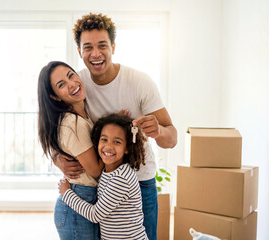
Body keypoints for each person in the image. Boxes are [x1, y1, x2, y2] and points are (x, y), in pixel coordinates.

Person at [53, 13, 178, 240]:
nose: (96, 53)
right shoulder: (77, 84)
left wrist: (159, 132)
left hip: (140, 183)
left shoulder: (139, 82)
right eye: (88, 47)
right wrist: (56, 156)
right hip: (102, 184)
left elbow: (172, 139)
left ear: (113, 46)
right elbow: (52, 122)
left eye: (102, 45)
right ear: (80, 52)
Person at [37, 61, 104, 240]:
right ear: (55, 96)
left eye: (71, 75)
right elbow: (95, 170)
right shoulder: (73, 123)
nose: (72, 84)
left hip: (83, 200)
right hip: (79, 203)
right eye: (62, 85)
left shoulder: (83, 115)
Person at [58, 113, 149, 240]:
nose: (108, 146)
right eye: (104, 139)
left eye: (117, 142)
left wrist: (66, 193)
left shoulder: (121, 178)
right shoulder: (108, 171)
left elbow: (95, 215)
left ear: (127, 148)